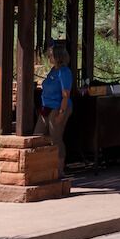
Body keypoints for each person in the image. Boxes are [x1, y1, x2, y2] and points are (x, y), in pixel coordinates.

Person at [35, 41, 73, 177]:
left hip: (58, 107)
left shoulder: (64, 72)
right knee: (37, 135)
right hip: (46, 106)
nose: (49, 58)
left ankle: (59, 169)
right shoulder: (53, 70)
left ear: (58, 57)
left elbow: (65, 94)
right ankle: (42, 167)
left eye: (51, 55)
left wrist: (61, 114)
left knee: (56, 138)